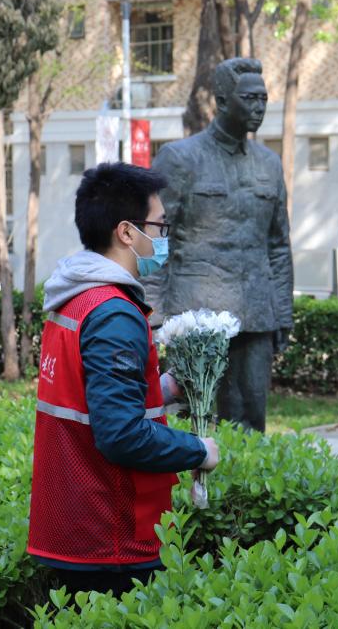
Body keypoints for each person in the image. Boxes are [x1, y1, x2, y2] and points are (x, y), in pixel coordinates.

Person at [27, 162, 219, 596]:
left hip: (75, 528)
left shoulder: (75, 297)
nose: (164, 238)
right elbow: (121, 435)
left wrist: (163, 390)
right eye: (160, 226)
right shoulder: (113, 313)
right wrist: (198, 450)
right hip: (110, 536)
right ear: (127, 232)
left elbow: (87, 397)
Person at [150, 57, 293, 432]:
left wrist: (282, 312)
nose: (259, 107)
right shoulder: (180, 158)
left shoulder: (270, 164)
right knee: (191, 422)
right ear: (223, 101)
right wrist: (153, 314)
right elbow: (154, 238)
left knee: (250, 425)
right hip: (196, 317)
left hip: (256, 315)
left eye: (263, 98)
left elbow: (278, 244)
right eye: (250, 98)